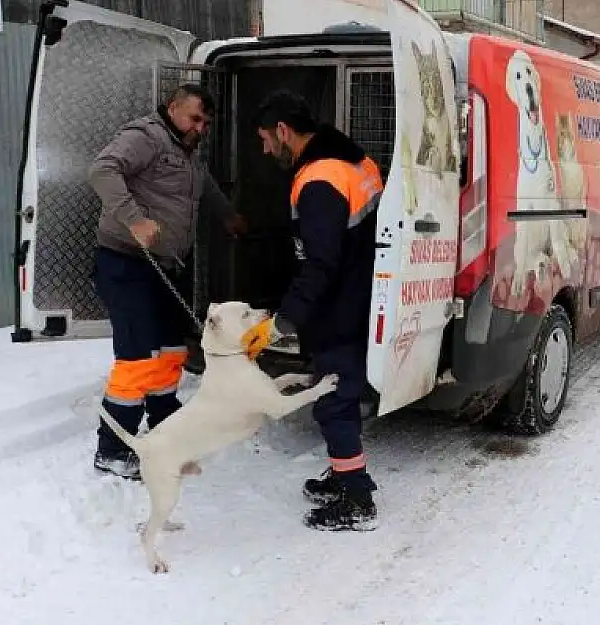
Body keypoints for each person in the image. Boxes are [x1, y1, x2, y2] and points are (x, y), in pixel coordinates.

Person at [88, 84, 247, 480]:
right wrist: (135, 220)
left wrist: (228, 215)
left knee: (172, 351)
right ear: (173, 108)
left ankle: (165, 433)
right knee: (139, 359)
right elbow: (102, 170)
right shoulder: (146, 137)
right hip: (126, 263)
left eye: (206, 122)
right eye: (195, 118)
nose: (202, 127)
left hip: (165, 265)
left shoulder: (186, 151)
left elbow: (202, 184)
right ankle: (112, 449)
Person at [242, 90, 382, 531]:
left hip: (339, 305)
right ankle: (347, 472)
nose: (265, 150)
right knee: (340, 393)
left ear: (284, 131)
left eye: (266, 139)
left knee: (333, 400)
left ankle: (357, 499)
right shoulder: (354, 161)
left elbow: (321, 261)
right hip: (363, 293)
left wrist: (284, 321)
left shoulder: (319, 180)